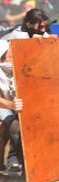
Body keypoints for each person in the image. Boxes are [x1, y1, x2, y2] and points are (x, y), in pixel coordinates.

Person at [0, 41, 24, 174]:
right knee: (13, 125)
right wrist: (11, 105)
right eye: (10, 53)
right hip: (4, 105)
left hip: (18, 104)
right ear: (3, 57)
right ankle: (16, 160)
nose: (13, 53)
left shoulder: (20, 63)